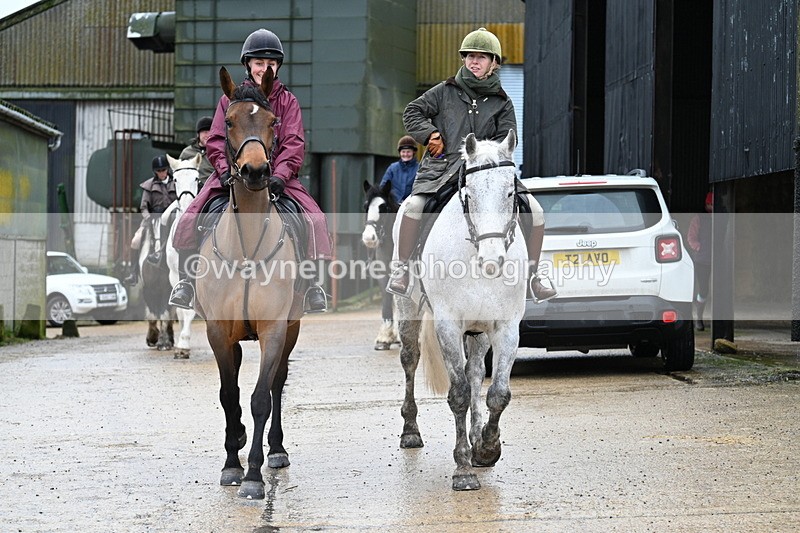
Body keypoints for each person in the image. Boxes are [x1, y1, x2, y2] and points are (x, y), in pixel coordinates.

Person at [387, 27, 557, 302]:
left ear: (494, 63)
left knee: (535, 211)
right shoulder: (444, 91)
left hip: (488, 173)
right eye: (469, 56)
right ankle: (403, 269)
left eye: (481, 57)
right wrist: (429, 134)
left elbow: (506, 140)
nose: (473, 61)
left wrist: (488, 158)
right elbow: (412, 111)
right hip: (442, 169)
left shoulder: (502, 101)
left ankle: (534, 276)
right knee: (413, 207)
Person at [169, 28, 331, 313]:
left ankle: (312, 285)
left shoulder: (288, 102)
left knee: (315, 220)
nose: (264, 68)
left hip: (278, 177)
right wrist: (221, 169)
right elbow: (217, 139)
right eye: (259, 62)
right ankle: (186, 282)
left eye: (270, 63)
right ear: (248, 64)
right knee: (188, 218)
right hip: (231, 176)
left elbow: (293, 143)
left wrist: (280, 175)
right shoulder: (228, 100)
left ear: (277, 67)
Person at [124, 155, 177, 285]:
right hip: (152, 219)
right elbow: (143, 207)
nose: (162, 173)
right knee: (135, 241)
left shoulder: (175, 182)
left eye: (164, 170)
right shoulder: (149, 185)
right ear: (155, 172)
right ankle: (133, 272)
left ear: (167, 169)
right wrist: (149, 218)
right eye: (159, 171)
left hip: (172, 219)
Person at [688, 191, 713, 331]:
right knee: (703, 289)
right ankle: (699, 318)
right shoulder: (698, 219)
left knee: (712, 290)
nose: (711, 207)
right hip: (702, 259)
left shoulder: (721, 218)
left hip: (717, 258)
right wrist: (699, 247)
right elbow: (691, 237)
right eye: (709, 204)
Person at [379, 135, 418, 204]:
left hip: (412, 204)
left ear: (413, 152)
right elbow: (383, 186)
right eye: (403, 152)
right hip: (394, 204)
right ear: (400, 153)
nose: (406, 154)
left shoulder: (419, 168)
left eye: (408, 151)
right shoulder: (392, 168)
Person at [180, 115, 215, 187]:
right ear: (198, 134)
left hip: (213, 191)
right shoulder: (186, 152)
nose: (208, 135)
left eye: (210, 131)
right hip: (190, 191)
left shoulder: (219, 152)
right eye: (205, 132)